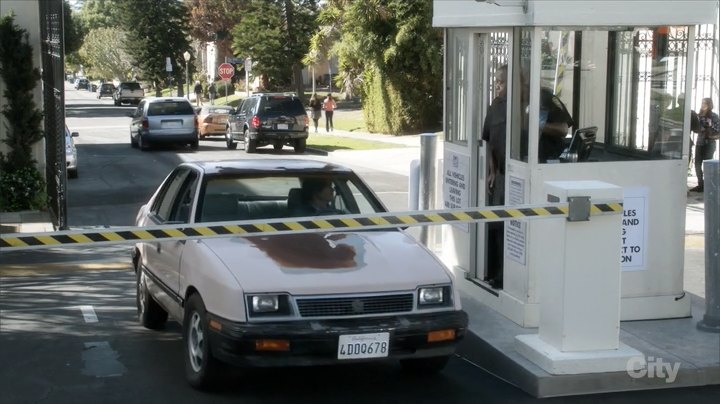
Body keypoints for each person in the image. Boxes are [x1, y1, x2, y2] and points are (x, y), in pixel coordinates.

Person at [481, 65, 508, 289]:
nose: (498, 85)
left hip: (518, 173)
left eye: (502, 81)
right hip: (500, 174)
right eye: (497, 81)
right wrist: (491, 170)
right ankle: (496, 272)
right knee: (497, 225)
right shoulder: (496, 106)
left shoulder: (524, 105)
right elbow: (488, 139)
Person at [691, 97, 720, 192]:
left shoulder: (714, 116)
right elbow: (695, 129)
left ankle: (708, 185)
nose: (703, 105)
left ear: (709, 105)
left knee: (707, 165)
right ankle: (700, 184)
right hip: (700, 142)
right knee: (697, 164)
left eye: (705, 103)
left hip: (709, 143)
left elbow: (718, 130)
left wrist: (710, 129)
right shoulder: (698, 116)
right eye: (702, 103)